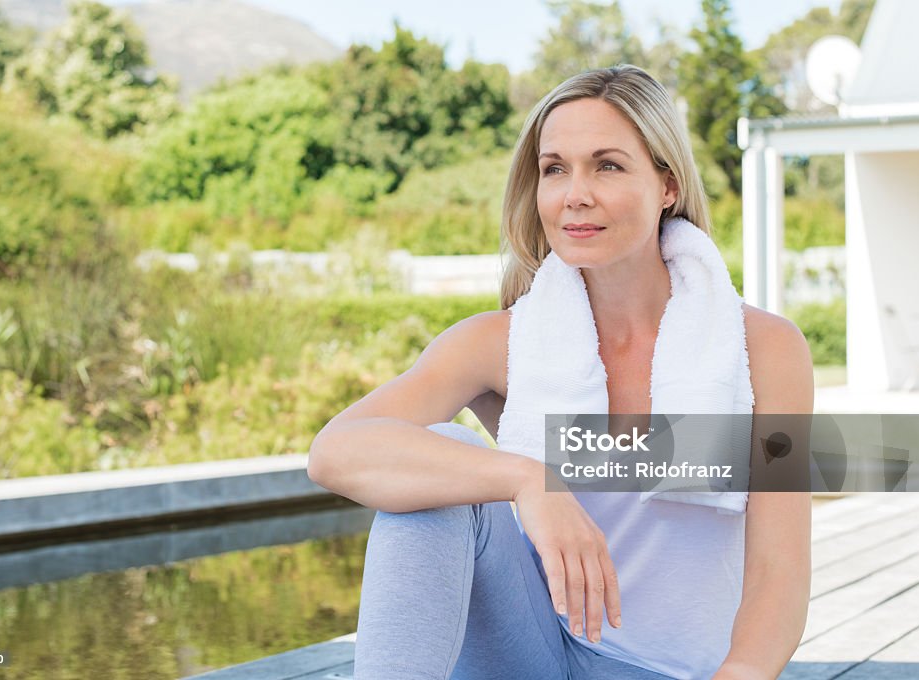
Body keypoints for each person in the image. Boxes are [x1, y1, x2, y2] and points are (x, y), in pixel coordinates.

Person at [308, 65, 813, 680]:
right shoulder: (501, 344)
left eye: (607, 165)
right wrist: (528, 478)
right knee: (441, 459)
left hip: (670, 671)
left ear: (668, 186)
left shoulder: (763, 348)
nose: (575, 193)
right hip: (530, 653)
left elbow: (778, 573)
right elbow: (335, 451)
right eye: (555, 169)